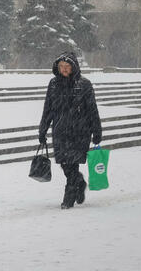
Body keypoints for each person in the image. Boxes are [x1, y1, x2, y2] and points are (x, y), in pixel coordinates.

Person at [38, 52, 102, 209]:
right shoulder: (53, 84)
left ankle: (69, 198)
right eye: (61, 67)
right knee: (65, 164)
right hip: (60, 131)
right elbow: (48, 108)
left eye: (67, 67)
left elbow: (92, 109)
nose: (64, 70)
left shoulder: (84, 84)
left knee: (72, 163)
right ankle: (79, 182)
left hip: (80, 131)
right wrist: (42, 129)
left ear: (74, 67)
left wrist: (97, 131)